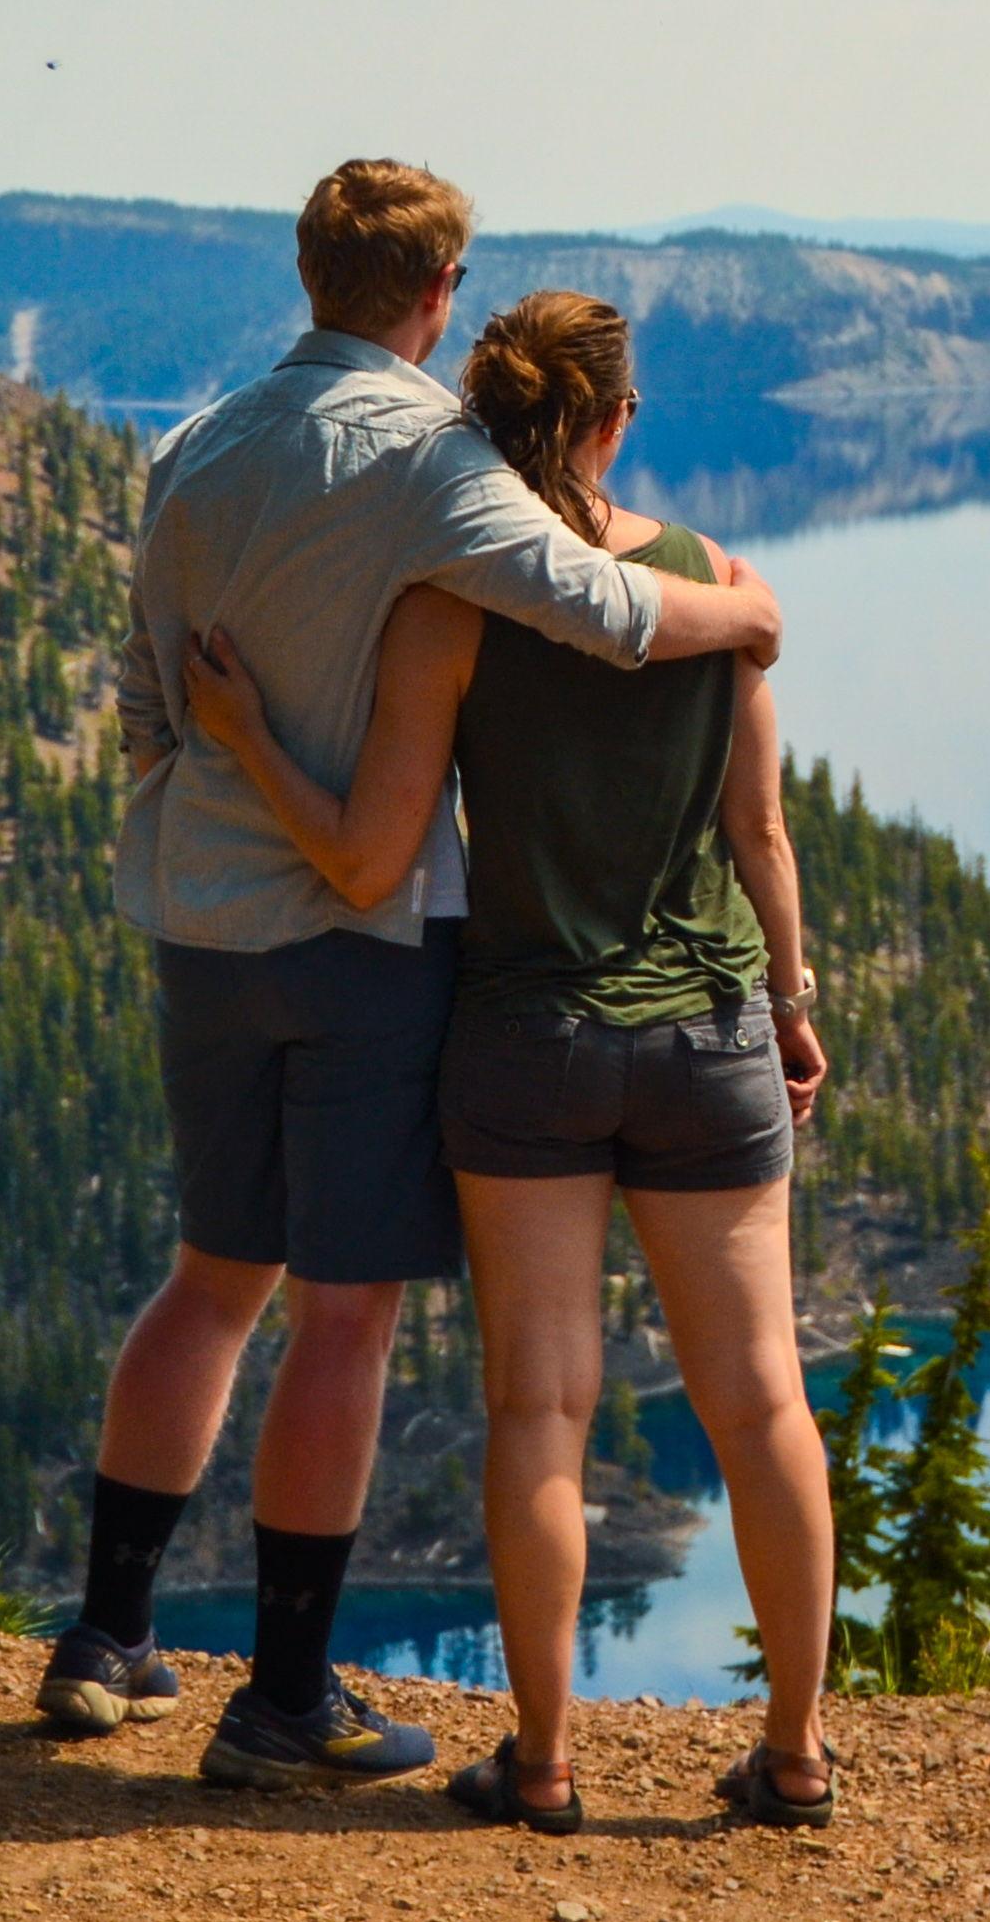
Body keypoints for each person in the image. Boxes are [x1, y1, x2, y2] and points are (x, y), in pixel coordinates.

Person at [44, 168, 785, 1791]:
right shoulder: (433, 460)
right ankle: (290, 1694)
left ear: (308, 273)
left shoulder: (197, 442)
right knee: (348, 1317)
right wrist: (746, 609)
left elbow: (144, 688)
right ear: (440, 289)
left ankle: (107, 1636)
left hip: (203, 915)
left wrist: (201, 782)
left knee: (211, 1274)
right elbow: (595, 604)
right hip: (363, 942)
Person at [182, 286, 841, 1834]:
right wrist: (792, 1001)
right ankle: (798, 1757)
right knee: (762, 1407)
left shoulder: (451, 607)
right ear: (615, 419)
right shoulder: (715, 587)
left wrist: (243, 733)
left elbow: (362, 861)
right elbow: (759, 833)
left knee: (540, 1409)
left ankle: (541, 1765)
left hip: (528, 1038)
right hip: (707, 1033)